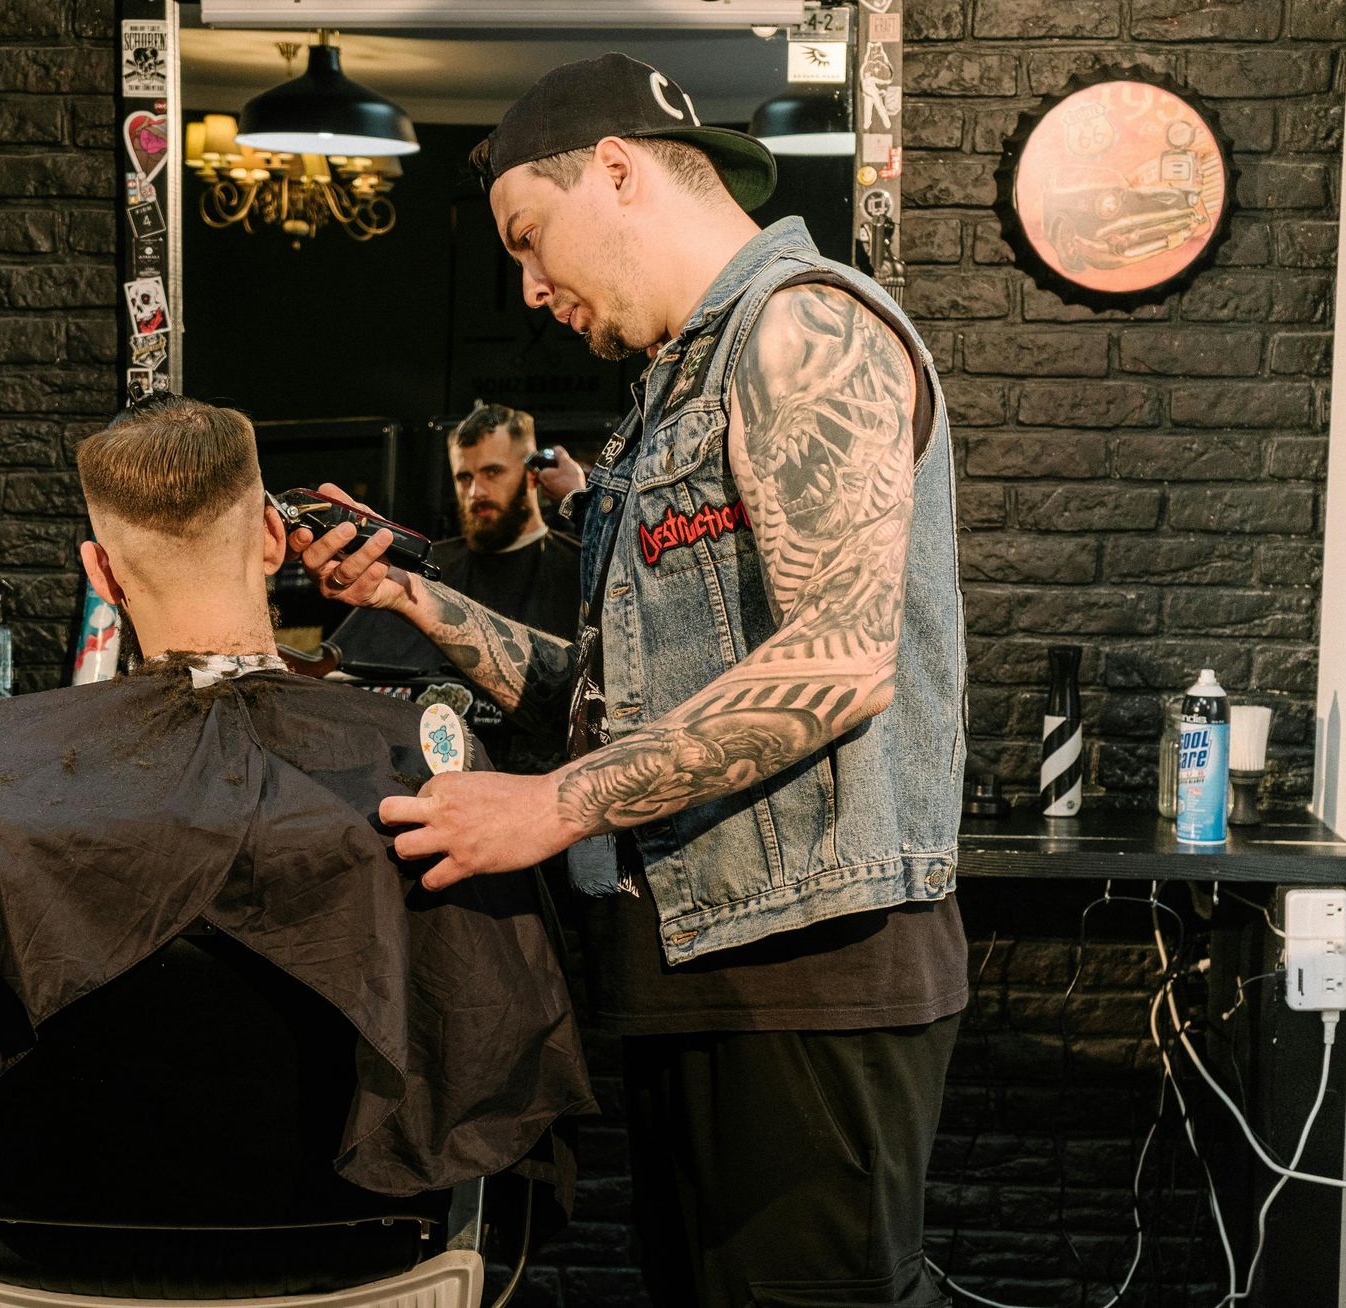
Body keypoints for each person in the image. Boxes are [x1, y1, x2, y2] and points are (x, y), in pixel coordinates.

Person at [290, 54, 968, 1308]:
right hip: (702, 959)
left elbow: (843, 657)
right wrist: (407, 594)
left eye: (531, 240)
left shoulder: (804, 327)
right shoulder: (675, 394)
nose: (532, 289)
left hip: (814, 962)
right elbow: (616, 703)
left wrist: (549, 808)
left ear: (617, 171)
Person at [0, 396, 593, 1216]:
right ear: (275, 540)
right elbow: (494, 1045)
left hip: (37, 1235)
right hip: (348, 1233)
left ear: (100, 574)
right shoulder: (424, 767)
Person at [329, 401, 581, 767]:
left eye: (493, 472)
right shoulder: (421, 567)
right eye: (465, 477)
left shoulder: (578, 565)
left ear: (533, 475)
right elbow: (334, 666)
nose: (476, 491)